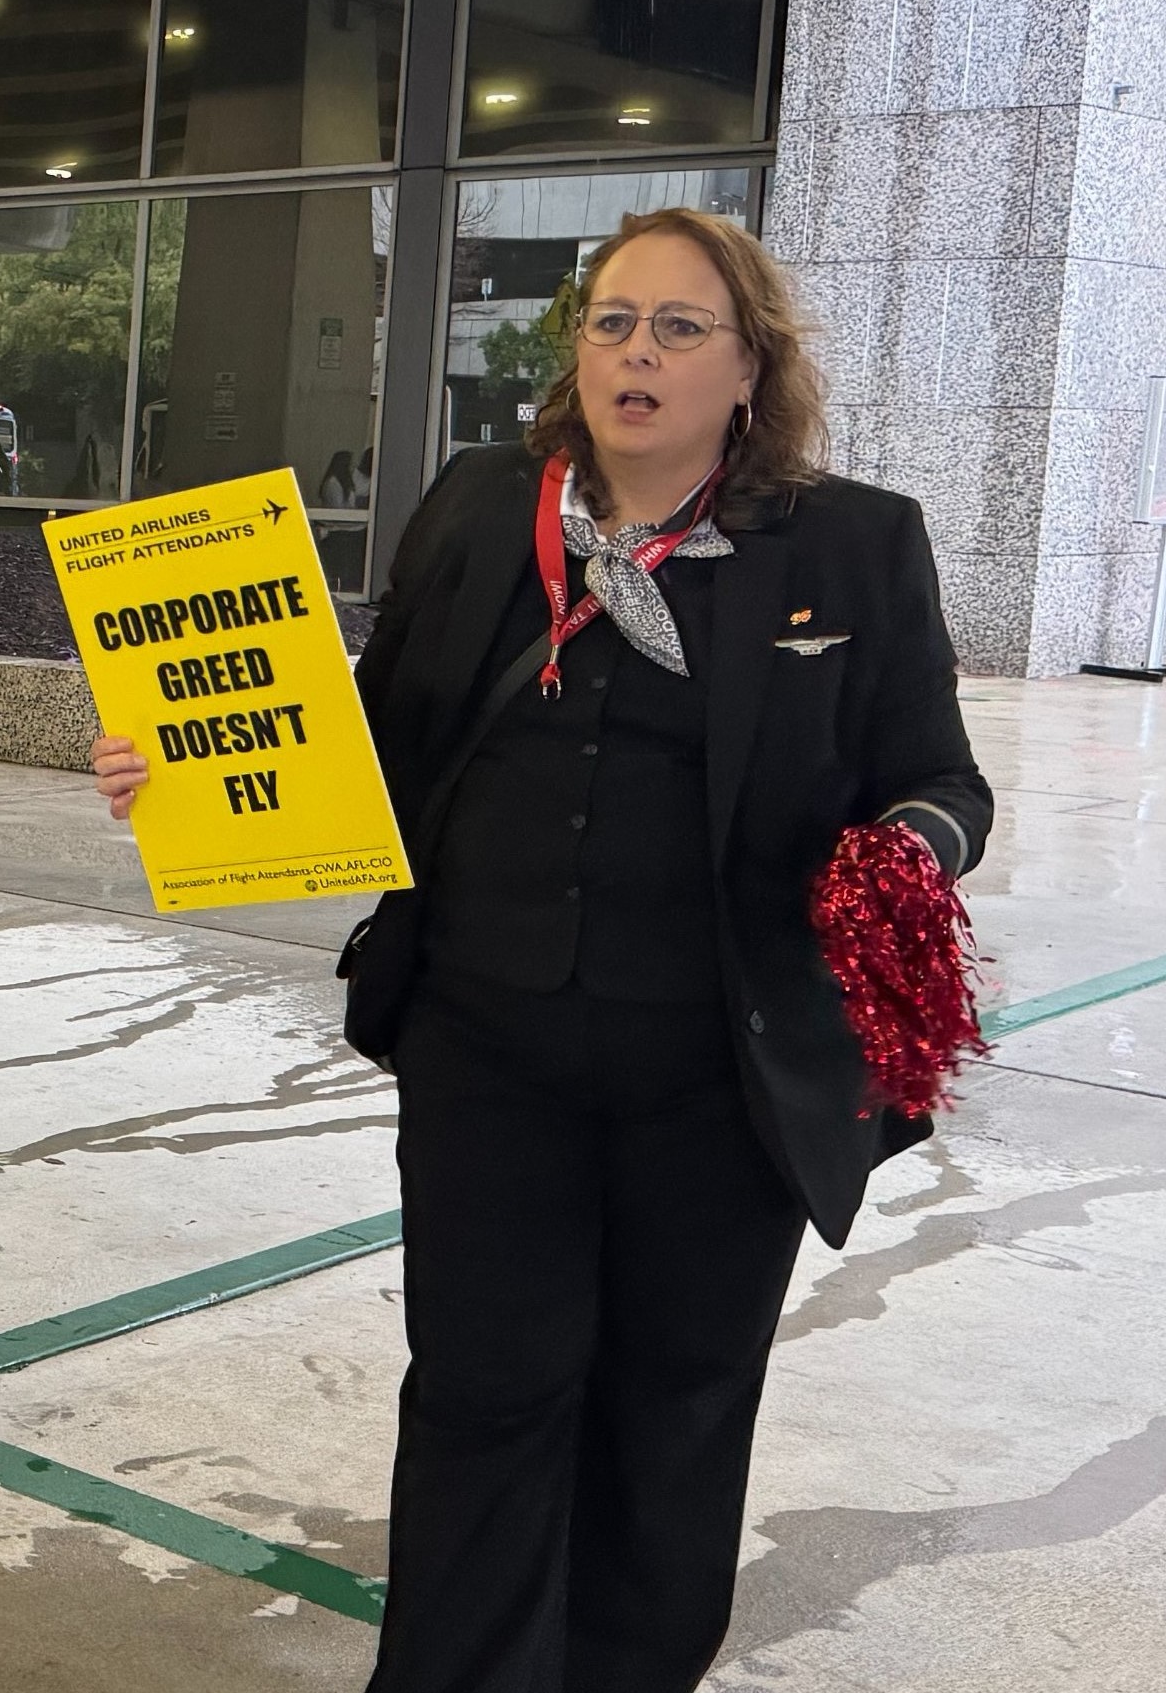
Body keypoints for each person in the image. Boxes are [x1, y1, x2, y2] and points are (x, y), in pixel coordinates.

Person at [93, 209, 989, 1693]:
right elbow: (368, 742)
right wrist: (183, 763)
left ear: (751, 369)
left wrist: (909, 851)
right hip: (489, 1051)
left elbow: (946, 781)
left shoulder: (851, 542)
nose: (637, 353)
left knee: (676, 1404)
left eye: (679, 328)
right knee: (483, 1397)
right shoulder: (478, 504)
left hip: (720, 1076)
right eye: (612, 322)